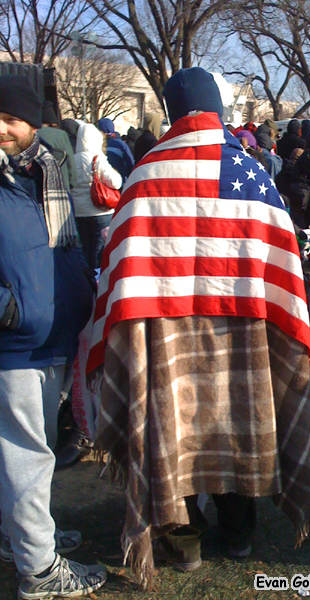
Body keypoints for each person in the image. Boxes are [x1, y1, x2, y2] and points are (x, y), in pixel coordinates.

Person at [87, 66, 310, 588]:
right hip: (242, 333)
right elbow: (282, 264)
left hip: (164, 335)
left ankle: (183, 537)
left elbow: (118, 267)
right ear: (216, 108)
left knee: (172, 426)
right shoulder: (253, 174)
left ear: (171, 110)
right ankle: (238, 533)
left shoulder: (145, 175)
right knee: (238, 422)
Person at [0, 74, 106, 598]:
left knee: (30, 450)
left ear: (34, 123)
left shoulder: (41, 172)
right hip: (15, 342)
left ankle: (20, 536)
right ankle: (40, 570)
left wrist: (78, 292)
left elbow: (62, 247)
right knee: (28, 454)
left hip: (51, 333)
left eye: (12, 118)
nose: (2, 128)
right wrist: (10, 310)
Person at [71, 122, 122, 269]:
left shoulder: (72, 159)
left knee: (85, 250)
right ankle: (97, 280)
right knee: (99, 251)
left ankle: (86, 279)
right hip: (100, 211)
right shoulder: (97, 159)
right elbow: (115, 182)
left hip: (78, 212)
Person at [38, 101, 77, 192]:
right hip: (60, 187)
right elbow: (70, 164)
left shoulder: (30, 133)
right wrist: (71, 183)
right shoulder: (60, 135)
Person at [97, 117, 135, 184]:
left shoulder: (97, 144)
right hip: (120, 181)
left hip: (101, 183)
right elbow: (130, 163)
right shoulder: (120, 144)